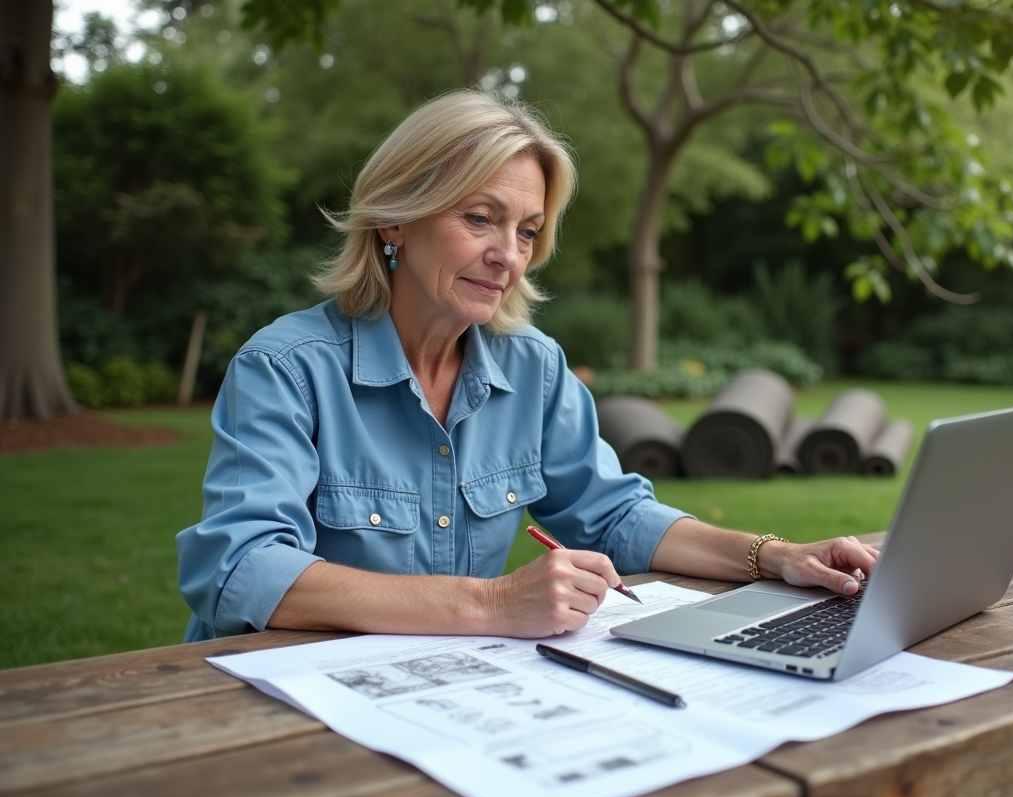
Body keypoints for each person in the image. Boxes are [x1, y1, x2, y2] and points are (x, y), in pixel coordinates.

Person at [176, 89, 878, 643]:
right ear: (394, 219)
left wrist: (778, 556)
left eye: (528, 230)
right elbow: (240, 570)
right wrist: (491, 603)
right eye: (480, 218)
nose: (509, 255)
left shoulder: (534, 368)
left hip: (448, 693)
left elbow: (614, 515)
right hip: (281, 700)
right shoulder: (286, 368)